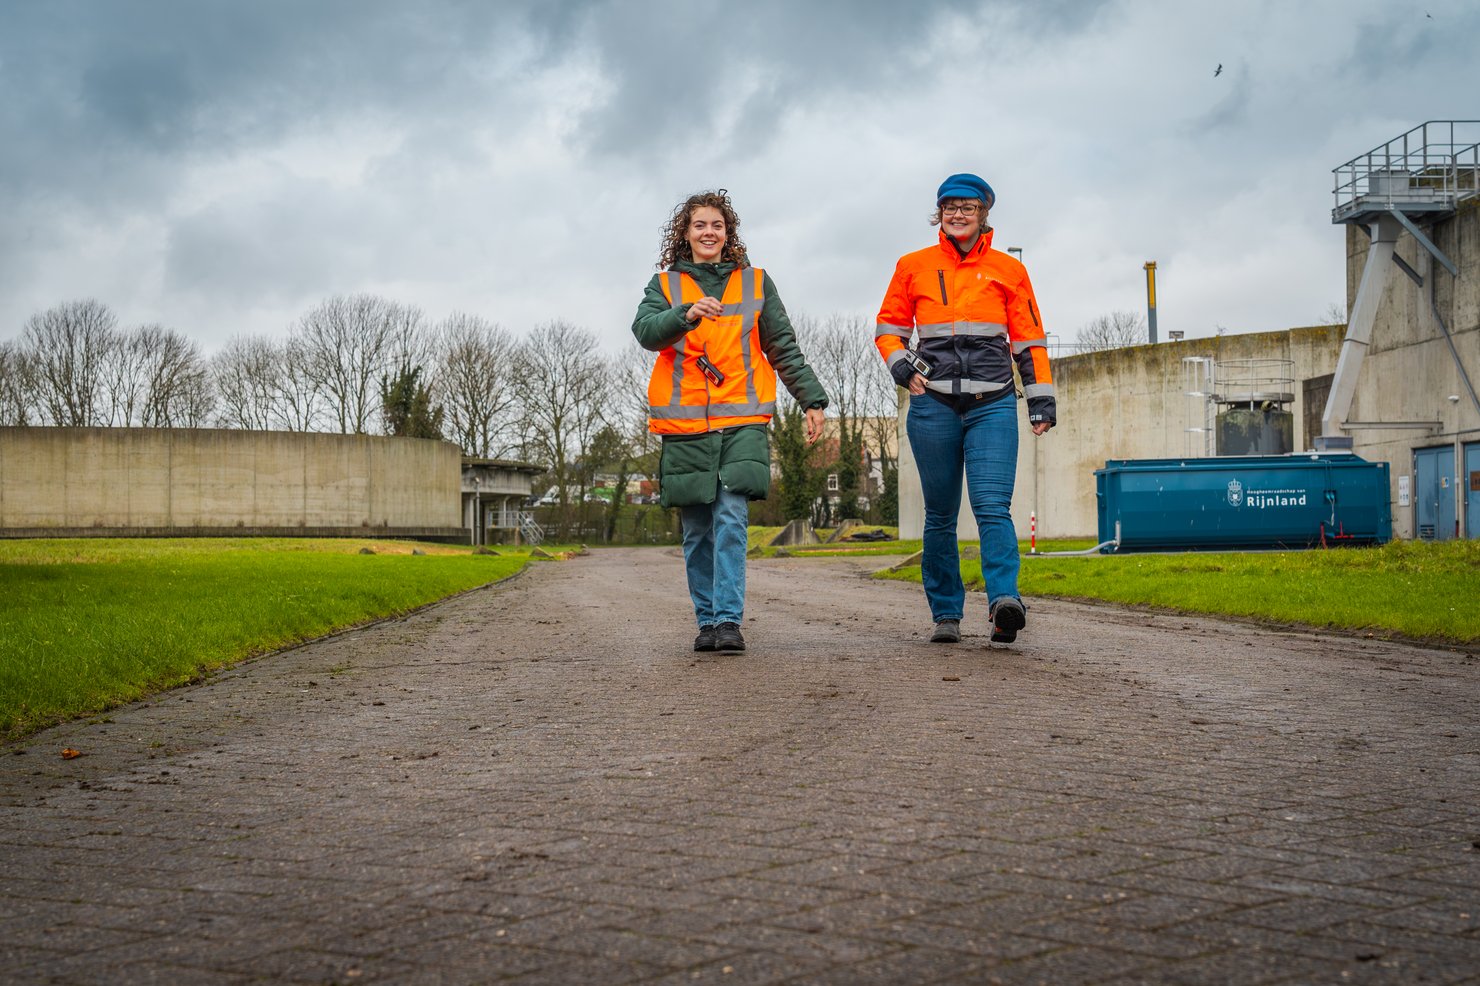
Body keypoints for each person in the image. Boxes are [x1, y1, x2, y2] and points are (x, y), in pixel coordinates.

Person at [632, 189, 828, 653]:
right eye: (699, 225)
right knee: (697, 529)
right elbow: (645, 332)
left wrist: (812, 400)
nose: (709, 232)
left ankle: (728, 620)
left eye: (716, 225)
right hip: (685, 429)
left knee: (732, 518)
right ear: (685, 234)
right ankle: (706, 621)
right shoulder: (664, 286)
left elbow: (782, 346)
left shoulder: (757, 282)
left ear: (728, 233)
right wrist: (685, 314)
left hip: (742, 420)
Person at [874, 173, 1056, 645]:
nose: (958, 214)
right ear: (940, 213)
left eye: (968, 207)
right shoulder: (912, 265)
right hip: (932, 407)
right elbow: (888, 331)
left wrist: (1041, 402)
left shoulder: (1009, 271)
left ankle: (1004, 603)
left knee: (993, 507)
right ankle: (946, 614)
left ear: (983, 214)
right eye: (950, 207)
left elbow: (1030, 340)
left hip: (992, 406)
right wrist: (900, 367)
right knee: (940, 514)